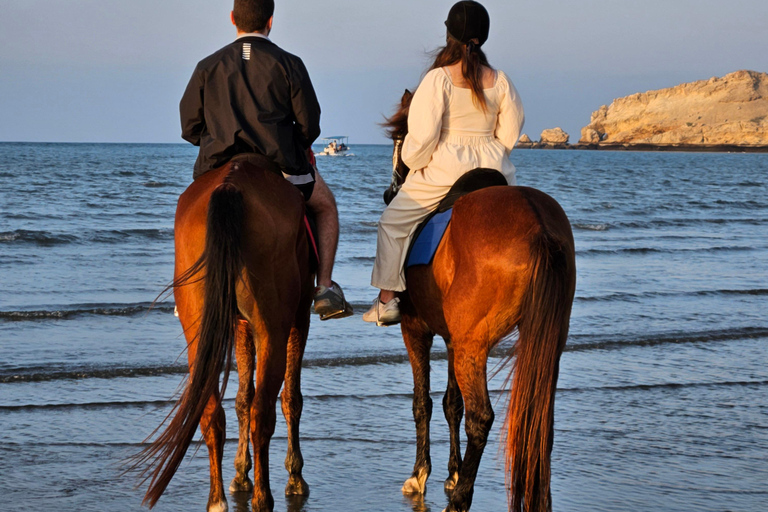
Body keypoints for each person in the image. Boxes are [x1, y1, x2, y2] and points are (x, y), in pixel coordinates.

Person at [180, 0, 352, 320]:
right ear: (270, 21)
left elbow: (189, 126)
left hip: (216, 166)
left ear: (232, 19)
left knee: (192, 209)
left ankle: (189, 293)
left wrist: (214, 143)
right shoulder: (290, 63)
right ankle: (325, 287)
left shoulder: (207, 65)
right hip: (278, 167)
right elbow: (310, 126)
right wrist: (292, 146)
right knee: (325, 206)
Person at [363, 0, 524, 325]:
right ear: (484, 37)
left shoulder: (438, 80)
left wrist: (413, 160)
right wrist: (490, 151)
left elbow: (421, 142)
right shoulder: (501, 80)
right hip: (494, 171)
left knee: (392, 223)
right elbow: (510, 134)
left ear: (449, 34)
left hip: (446, 171)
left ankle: (387, 299)